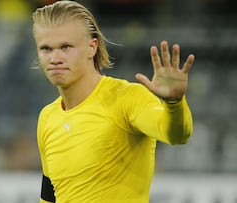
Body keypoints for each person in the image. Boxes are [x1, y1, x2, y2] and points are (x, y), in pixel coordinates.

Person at [32, 1, 195, 202]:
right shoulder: (47, 117)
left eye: (66, 47)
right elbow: (49, 197)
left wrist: (174, 103)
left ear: (92, 47)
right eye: (46, 49)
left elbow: (177, 135)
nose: (55, 58)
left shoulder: (127, 98)